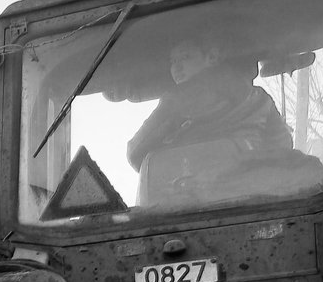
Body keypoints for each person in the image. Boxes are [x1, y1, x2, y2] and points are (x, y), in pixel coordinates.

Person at [125, 38, 297, 187]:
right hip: (257, 192)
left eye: (185, 57)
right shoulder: (260, 97)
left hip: (197, 200)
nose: (176, 67)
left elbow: (136, 153)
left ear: (212, 57)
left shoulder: (176, 100)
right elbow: (283, 144)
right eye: (172, 61)